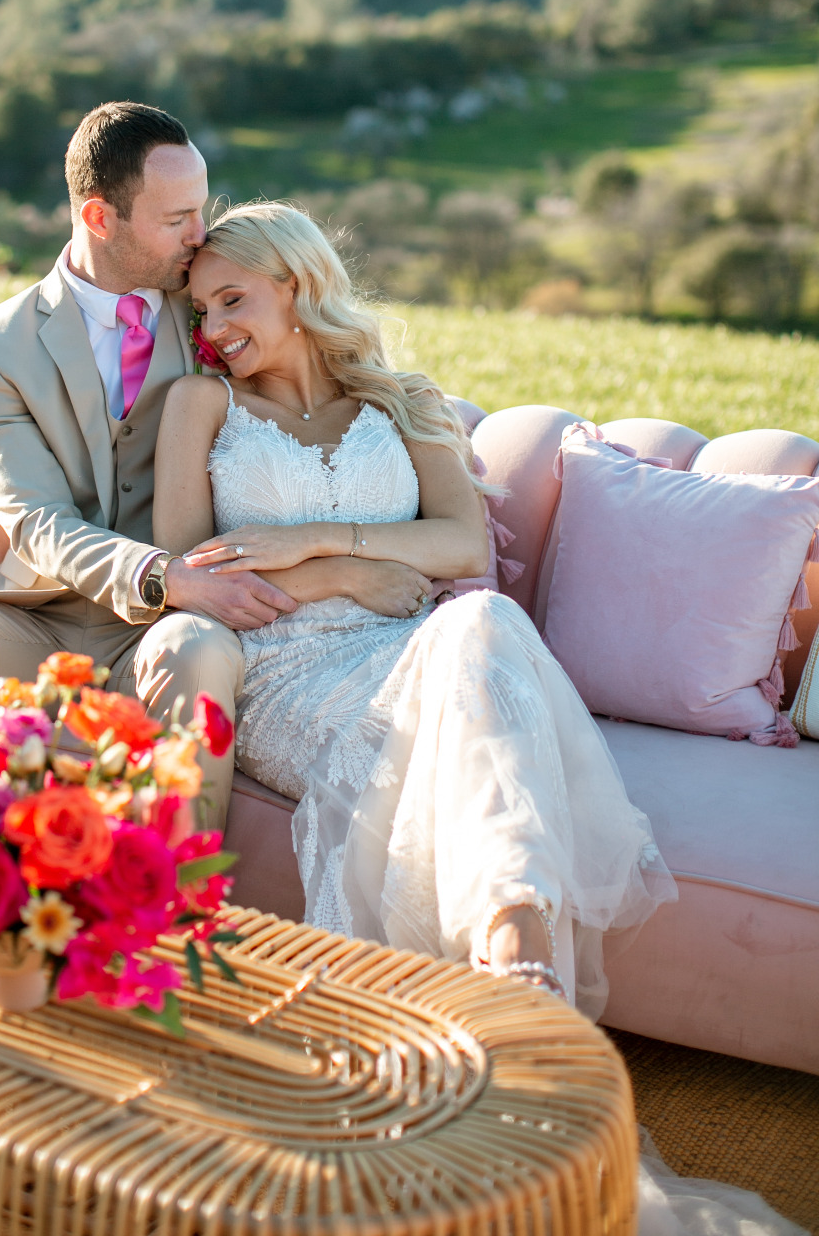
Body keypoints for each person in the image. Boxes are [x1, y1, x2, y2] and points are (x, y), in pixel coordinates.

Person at [153, 199, 678, 1008]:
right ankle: (518, 961)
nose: (213, 328)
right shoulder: (203, 404)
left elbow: (462, 547)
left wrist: (314, 540)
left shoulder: (404, 401)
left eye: (233, 299)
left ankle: (513, 939)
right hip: (285, 670)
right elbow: (194, 580)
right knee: (478, 638)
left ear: (296, 286)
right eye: (201, 310)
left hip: (412, 651)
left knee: (481, 620)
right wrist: (340, 576)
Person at [0, 102, 301, 824]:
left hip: (163, 629)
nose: (201, 233)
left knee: (200, 652)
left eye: (201, 208)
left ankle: (182, 896)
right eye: (176, 217)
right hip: (39, 618)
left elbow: (314, 383)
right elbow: (32, 519)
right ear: (98, 218)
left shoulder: (212, 305)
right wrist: (160, 575)